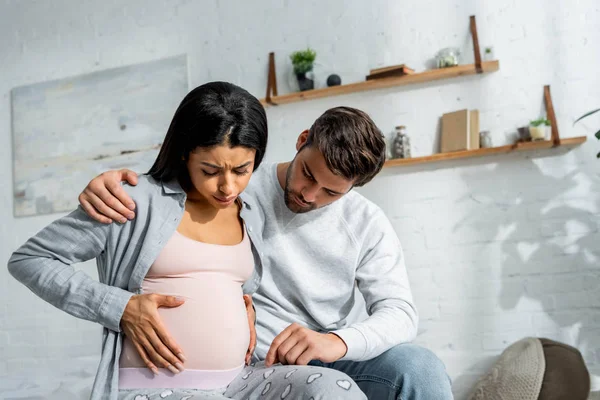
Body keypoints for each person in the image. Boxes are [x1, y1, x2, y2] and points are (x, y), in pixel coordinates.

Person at [8, 82, 366, 400]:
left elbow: (237, 286)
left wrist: (247, 309)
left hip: (240, 382)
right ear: (184, 153)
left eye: (242, 170)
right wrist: (120, 307)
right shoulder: (134, 200)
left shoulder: (250, 209)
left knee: (335, 388)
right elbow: (30, 259)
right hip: (156, 388)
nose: (227, 187)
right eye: (210, 171)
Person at [79, 106, 454, 399]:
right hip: (255, 366)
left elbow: (400, 313)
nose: (310, 195)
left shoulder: (366, 221)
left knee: (419, 367)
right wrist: (110, 184)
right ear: (302, 139)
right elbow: (165, 192)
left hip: (329, 356)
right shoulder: (234, 186)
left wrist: (336, 342)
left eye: (331, 192)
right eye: (308, 174)